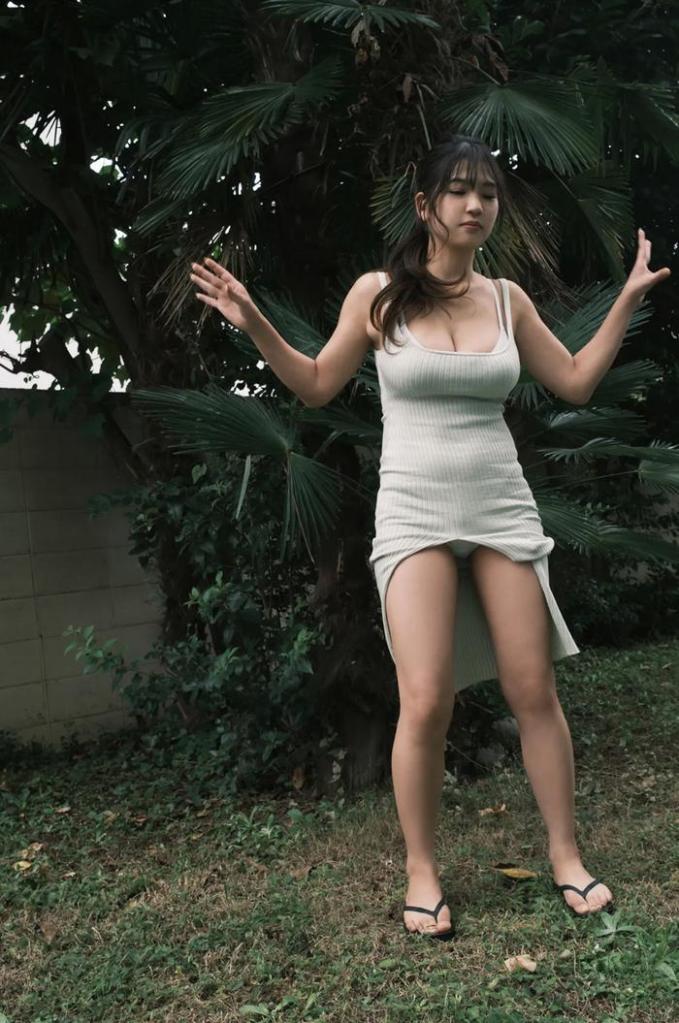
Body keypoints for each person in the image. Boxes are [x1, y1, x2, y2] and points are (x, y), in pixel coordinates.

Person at [189, 135, 671, 941]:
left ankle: (564, 854)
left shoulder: (508, 300)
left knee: (532, 689)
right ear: (425, 207)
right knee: (426, 699)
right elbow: (314, 385)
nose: (475, 204)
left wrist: (625, 296)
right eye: (457, 191)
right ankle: (421, 870)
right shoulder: (378, 296)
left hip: (499, 506)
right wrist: (254, 323)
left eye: (486, 192)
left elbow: (578, 381)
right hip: (411, 509)